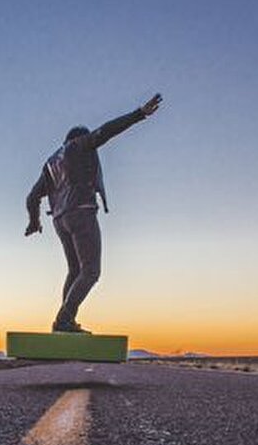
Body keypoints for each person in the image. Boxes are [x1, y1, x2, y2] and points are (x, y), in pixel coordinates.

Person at [25, 93, 163, 332]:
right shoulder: (78, 147)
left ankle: (64, 322)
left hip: (60, 219)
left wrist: (34, 221)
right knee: (91, 271)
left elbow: (32, 197)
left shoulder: (51, 163)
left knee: (75, 270)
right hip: (81, 213)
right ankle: (64, 320)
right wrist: (139, 114)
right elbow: (105, 131)